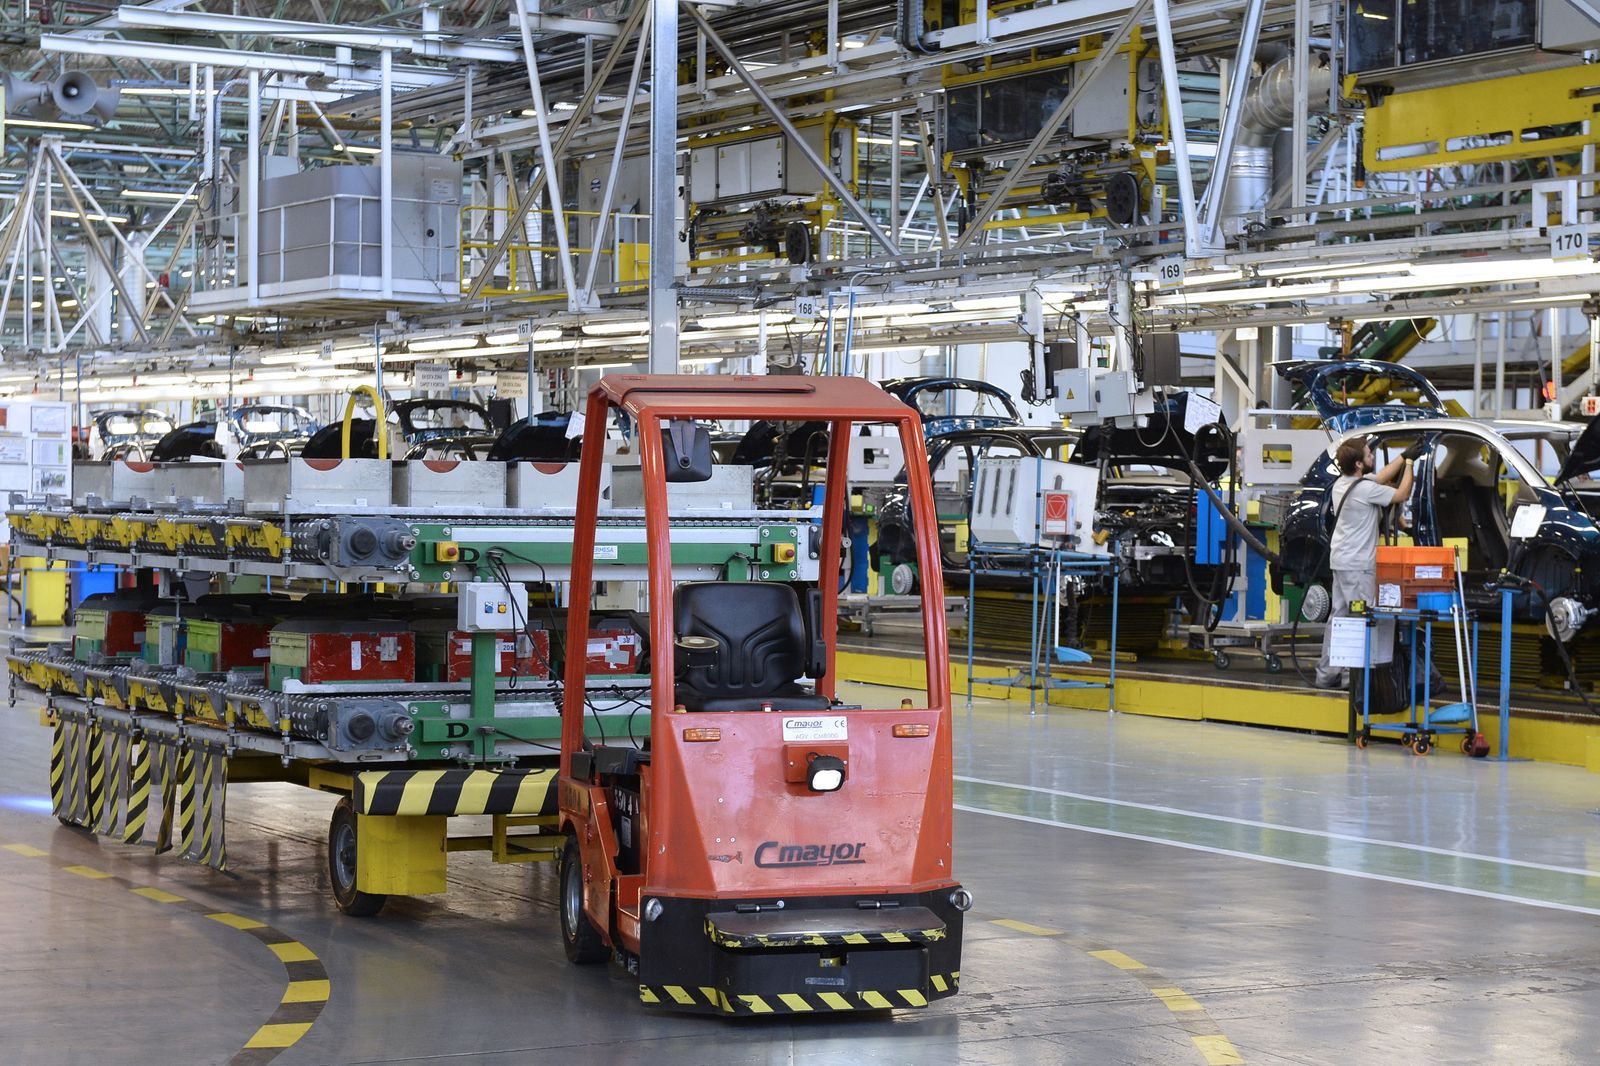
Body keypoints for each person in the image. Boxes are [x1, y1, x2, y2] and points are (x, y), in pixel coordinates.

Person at [1314, 436, 1417, 689]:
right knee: (1360, 618)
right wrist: (1412, 464)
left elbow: (1381, 476)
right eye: (1370, 454)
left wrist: (1403, 456)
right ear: (1359, 464)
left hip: (1341, 562)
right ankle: (1353, 679)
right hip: (1359, 566)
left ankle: (1326, 674)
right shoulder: (1365, 490)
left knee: (1339, 617)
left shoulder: (1344, 484)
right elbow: (1402, 493)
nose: (1373, 456)